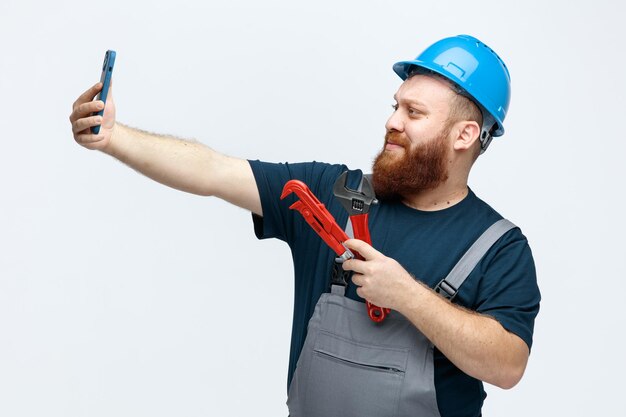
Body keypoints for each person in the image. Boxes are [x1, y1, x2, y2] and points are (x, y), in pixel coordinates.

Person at [69, 35, 540, 417]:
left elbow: (506, 364)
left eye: (414, 113)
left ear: (465, 135)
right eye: (396, 105)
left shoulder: (498, 247)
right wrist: (115, 138)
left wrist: (407, 295)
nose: (391, 121)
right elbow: (213, 170)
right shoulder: (332, 192)